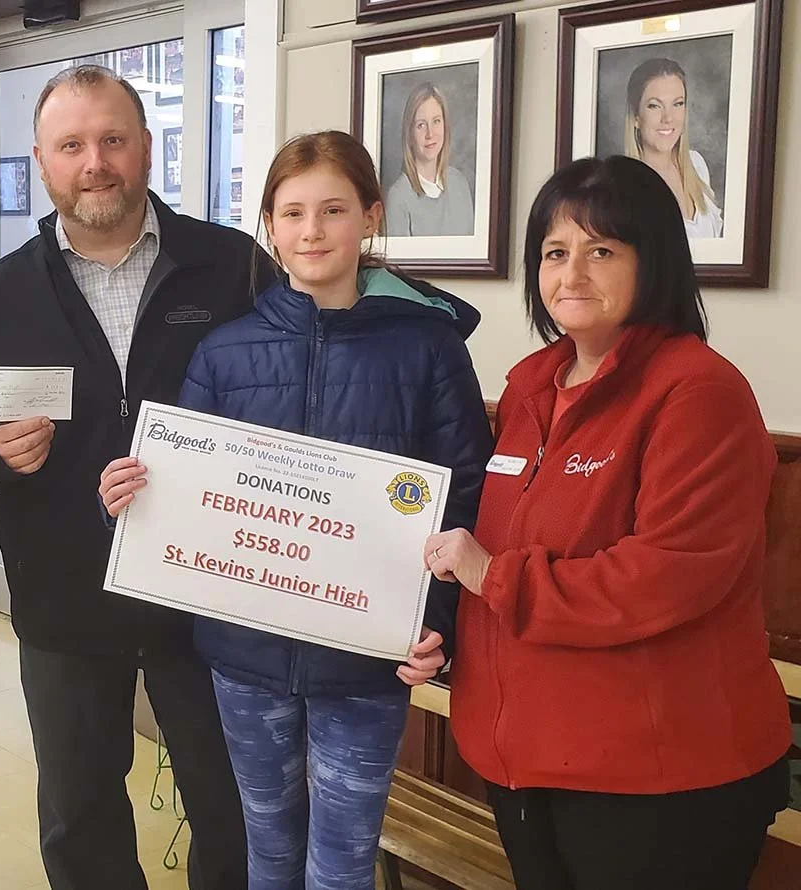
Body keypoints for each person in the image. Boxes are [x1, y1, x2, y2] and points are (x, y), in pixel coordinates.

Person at [100, 130, 493, 890]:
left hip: (369, 662)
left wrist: (434, 619)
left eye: (334, 210)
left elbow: (465, 495)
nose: (312, 231)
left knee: (343, 865)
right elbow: (188, 493)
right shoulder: (224, 352)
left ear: (371, 216)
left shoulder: (427, 349)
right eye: (293, 213)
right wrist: (134, 499)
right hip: (245, 660)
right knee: (269, 853)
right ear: (270, 228)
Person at [0, 65, 276, 890]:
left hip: (210, 594)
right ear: (42, 163)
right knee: (80, 809)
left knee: (229, 804)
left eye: (113, 140)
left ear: (147, 148)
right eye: (72, 145)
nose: (95, 162)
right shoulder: (0, 292)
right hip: (64, 591)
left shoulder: (232, 269)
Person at [427, 155, 791, 890]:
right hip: (526, 766)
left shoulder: (698, 395)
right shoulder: (531, 389)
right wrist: (438, 633)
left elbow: (661, 579)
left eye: (602, 251)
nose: (573, 274)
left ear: (652, 261)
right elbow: (494, 547)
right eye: (555, 253)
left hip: (661, 783)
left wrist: (488, 575)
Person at [625, 58, 723, 238]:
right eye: (654, 106)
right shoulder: (622, 188)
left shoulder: (696, 164)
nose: (668, 118)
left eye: (678, 104)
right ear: (637, 117)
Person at [385, 82, 474, 236]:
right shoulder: (399, 197)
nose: (430, 134)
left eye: (436, 121)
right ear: (410, 134)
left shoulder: (460, 183)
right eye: (421, 125)